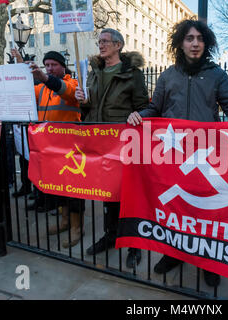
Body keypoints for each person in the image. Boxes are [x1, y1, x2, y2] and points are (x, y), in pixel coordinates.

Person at [127, 19, 228, 287]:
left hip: (208, 153)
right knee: (176, 207)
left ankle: (207, 261)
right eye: (189, 38)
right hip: (172, 155)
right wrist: (139, 115)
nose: (195, 43)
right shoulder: (167, 75)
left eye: (200, 38)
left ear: (206, 43)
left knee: (206, 211)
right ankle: (174, 254)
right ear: (180, 43)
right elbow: (155, 109)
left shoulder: (217, 74)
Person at [75, 28, 149, 268]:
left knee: (128, 194)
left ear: (118, 45)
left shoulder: (133, 74)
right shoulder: (94, 72)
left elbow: (142, 107)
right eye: (100, 41)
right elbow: (89, 107)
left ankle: (134, 245)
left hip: (123, 143)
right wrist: (84, 102)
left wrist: (138, 115)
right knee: (106, 193)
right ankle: (111, 235)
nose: (101, 45)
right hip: (99, 141)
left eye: (105, 41)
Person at [11, 49, 85, 248]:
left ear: (63, 66)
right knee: (57, 187)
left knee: (74, 190)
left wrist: (43, 76)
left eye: (54, 65)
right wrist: (20, 64)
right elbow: (23, 87)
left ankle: (77, 227)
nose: (50, 68)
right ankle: (65, 221)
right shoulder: (42, 89)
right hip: (50, 148)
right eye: (47, 65)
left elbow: (66, 91)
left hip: (70, 148)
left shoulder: (74, 83)